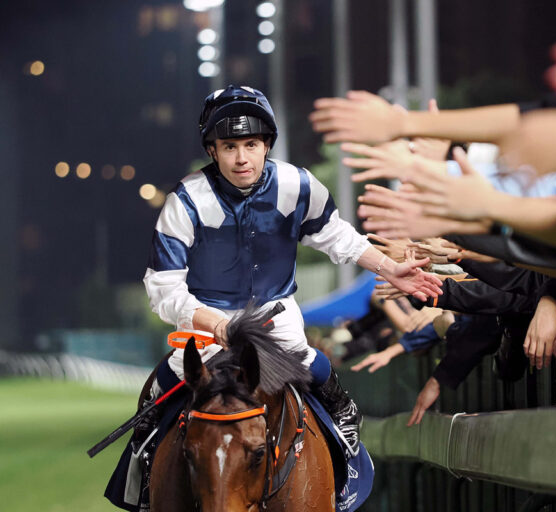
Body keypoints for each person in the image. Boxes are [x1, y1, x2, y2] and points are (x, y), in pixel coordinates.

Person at [112, 85, 442, 512]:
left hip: (275, 318)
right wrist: (216, 324)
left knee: (316, 366)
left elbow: (336, 236)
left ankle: (343, 431)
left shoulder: (298, 184)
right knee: (158, 389)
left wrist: (387, 266)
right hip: (208, 322)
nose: (242, 158)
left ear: (266, 143)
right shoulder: (185, 200)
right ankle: (143, 481)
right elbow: (164, 287)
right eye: (229, 146)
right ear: (212, 150)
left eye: (251, 144)